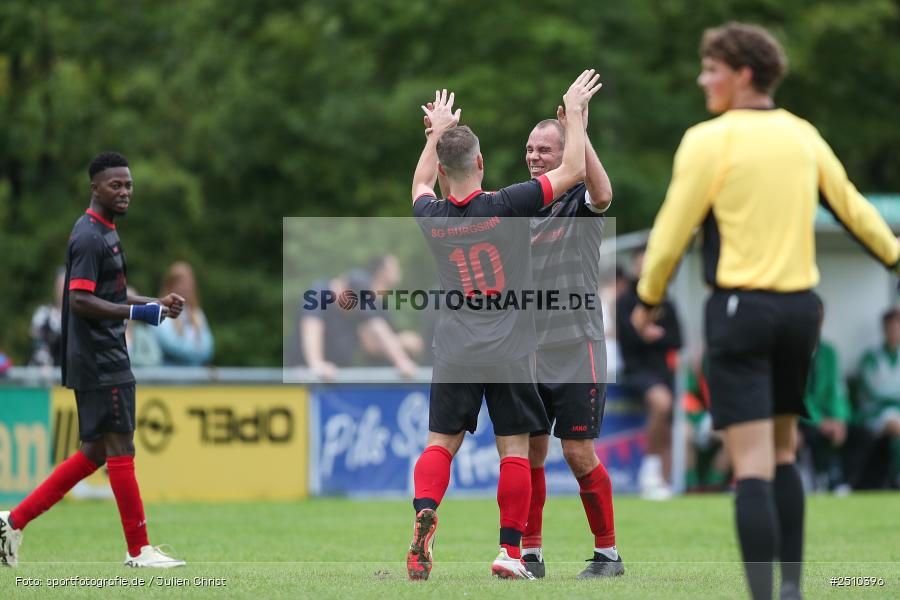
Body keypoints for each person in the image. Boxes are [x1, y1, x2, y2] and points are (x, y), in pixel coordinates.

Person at [630, 23, 900, 600]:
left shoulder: (708, 140)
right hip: (802, 312)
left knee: (749, 464)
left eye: (711, 69)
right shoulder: (804, 135)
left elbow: (672, 232)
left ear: (742, 73)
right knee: (783, 452)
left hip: (740, 309)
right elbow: (854, 209)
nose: (704, 79)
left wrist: (647, 301)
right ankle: (793, 590)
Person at [407, 72, 601, 581]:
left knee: (439, 444)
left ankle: (425, 512)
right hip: (510, 347)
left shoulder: (432, 214)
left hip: (453, 347)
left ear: (447, 170)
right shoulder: (508, 204)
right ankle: (510, 553)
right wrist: (575, 112)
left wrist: (435, 133)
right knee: (514, 448)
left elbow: (420, 184)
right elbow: (576, 169)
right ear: (481, 165)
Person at [0, 152, 188, 568]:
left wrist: (155, 302)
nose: (124, 192)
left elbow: (111, 296)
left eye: (128, 185)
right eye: (115, 185)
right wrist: (139, 313)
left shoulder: (105, 232)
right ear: (94, 188)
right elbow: (80, 299)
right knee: (121, 444)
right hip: (100, 358)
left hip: (100, 355)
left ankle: (13, 520)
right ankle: (139, 550)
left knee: (95, 453)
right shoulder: (88, 236)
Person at [522, 107, 624, 578]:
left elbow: (603, 192)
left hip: (576, 344)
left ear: (567, 154)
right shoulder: (524, 205)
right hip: (531, 348)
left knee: (578, 453)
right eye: (530, 149)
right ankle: (531, 554)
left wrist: (580, 127)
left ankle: (608, 554)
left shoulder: (579, 202)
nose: (534, 156)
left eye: (545, 149)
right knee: (529, 454)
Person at [617, 248, 682, 499]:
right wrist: (645, 334)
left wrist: (653, 333)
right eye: (640, 263)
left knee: (668, 422)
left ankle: (663, 483)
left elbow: (678, 338)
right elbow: (629, 338)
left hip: (663, 370)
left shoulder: (665, 300)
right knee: (661, 404)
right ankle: (649, 470)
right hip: (637, 370)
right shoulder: (626, 301)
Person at [294, 268, 419, 380]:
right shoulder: (318, 293)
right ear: (343, 289)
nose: (355, 310)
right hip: (304, 373)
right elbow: (312, 328)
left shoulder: (359, 300)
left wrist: (401, 361)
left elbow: (378, 328)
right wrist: (316, 364)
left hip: (338, 373)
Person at [797, 299, 854, 493]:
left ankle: (841, 480)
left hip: (823, 415)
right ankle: (819, 479)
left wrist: (839, 420)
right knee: (811, 432)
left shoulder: (829, 352)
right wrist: (820, 421)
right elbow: (797, 393)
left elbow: (837, 391)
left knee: (859, 433)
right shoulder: (793, 350)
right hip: (799, 415)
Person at [357, 254, 425, 366]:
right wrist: (403, 341)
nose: (398, 271)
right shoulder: (367, 303)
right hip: (374, 377)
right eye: (394, 267)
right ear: (381, 272)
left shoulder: (382, 303)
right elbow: (369, 346)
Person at [857, 308, 900, 487]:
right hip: (874, 414)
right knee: (895, 424)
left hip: (896, 412)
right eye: (890, 327)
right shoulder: (871, 357)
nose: (894, 331)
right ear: (884, 329)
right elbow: (876, 392)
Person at [155, 262, 214, 366]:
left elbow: (208, 348)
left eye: (190, 283)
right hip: (169, 375)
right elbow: (169, 344)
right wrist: (196, 352)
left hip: (195, 374)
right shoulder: (161, 311)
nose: (187, 287)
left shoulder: (197, 313)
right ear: (171, 285)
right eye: (182, 283)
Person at [28, 267, 66, 367]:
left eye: (65, 285)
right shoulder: (43, 314)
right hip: (45, 373)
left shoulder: (78, 318)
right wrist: (45, 364)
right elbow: (37, 343)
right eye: (60, 285)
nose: (62, 289)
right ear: (55, 287)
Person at [125, 286, 164, 367]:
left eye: (133, 304)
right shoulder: (111, 332)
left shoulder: (143, 333)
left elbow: (155, 358)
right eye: (126, 304)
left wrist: (129, 360)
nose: (129, 308)